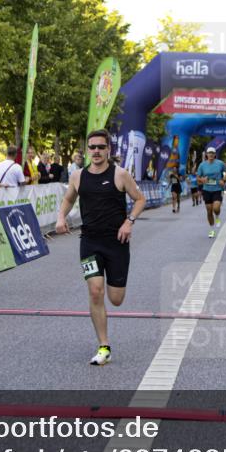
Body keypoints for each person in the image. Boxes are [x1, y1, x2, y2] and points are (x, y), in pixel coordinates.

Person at [56, 130, 145, 366]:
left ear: (108, 150)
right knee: (95, 291)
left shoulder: (120, 174)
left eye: (100, 147)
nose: (96, 151)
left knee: (116, 299)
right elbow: (68, 199)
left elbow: (140, 199)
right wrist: (61, 218)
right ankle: (104, 346)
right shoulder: (77, 176)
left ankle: (115, 290)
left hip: (117, 243)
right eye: (92, 147)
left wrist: (129, 222)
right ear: (88, 150)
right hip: (89, 243)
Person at [196, 146, 226, 238]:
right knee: (209, 211)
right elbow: (198, 177)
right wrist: (202, 180)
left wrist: (223, 180)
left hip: (217, 189)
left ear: (215, 154)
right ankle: (212, 230)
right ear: (206, 154)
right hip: (207, 190)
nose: (211, 154)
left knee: (216, 208)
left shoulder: (220, 163)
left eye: (212, 153)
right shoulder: (202, 165)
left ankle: (217, 217)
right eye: (209, 153)